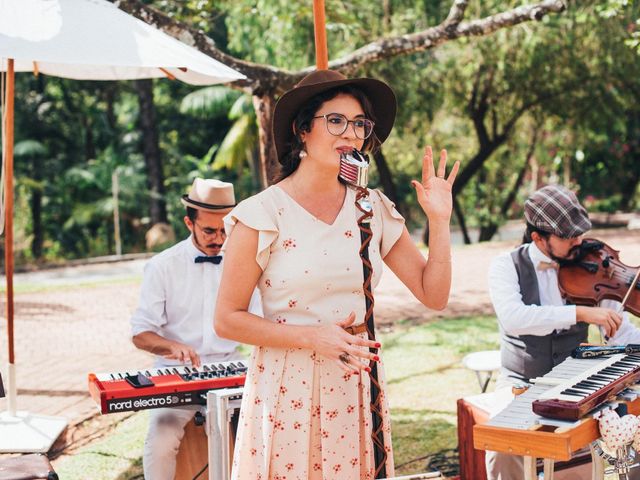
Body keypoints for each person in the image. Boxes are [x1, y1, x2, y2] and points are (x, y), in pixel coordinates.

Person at [214, 69, 459, 479]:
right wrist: (313, 337)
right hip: (287, 386)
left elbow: (433, 295)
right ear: (302, 130)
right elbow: (226, 319)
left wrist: (439, 220)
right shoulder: (262, 213)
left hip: (355, 386)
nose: (350, 134)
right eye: (335, 120)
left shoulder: (372, 207)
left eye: (360, 124)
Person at [486, 184, 640, 479]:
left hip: (578, 380)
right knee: (502, 449)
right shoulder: (505, 266)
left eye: (580, 232)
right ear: (538, 237)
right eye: (568, 236)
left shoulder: (596, 267)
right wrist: (580, 312)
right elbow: (514, 318)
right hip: (520, 379)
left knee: (577, 455)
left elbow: (621, 333)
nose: (579, 241)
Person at [130, 178, 261, 480]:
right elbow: (140, 332)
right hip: (176, 371)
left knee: (265, 431)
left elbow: (259, 319)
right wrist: (171, 347)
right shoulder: (162, 266)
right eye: (209, 230)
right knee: (160, 440)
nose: (219, 238)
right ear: (189, 222)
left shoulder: (246, 263)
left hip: (231, 366)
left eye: (225, 230)